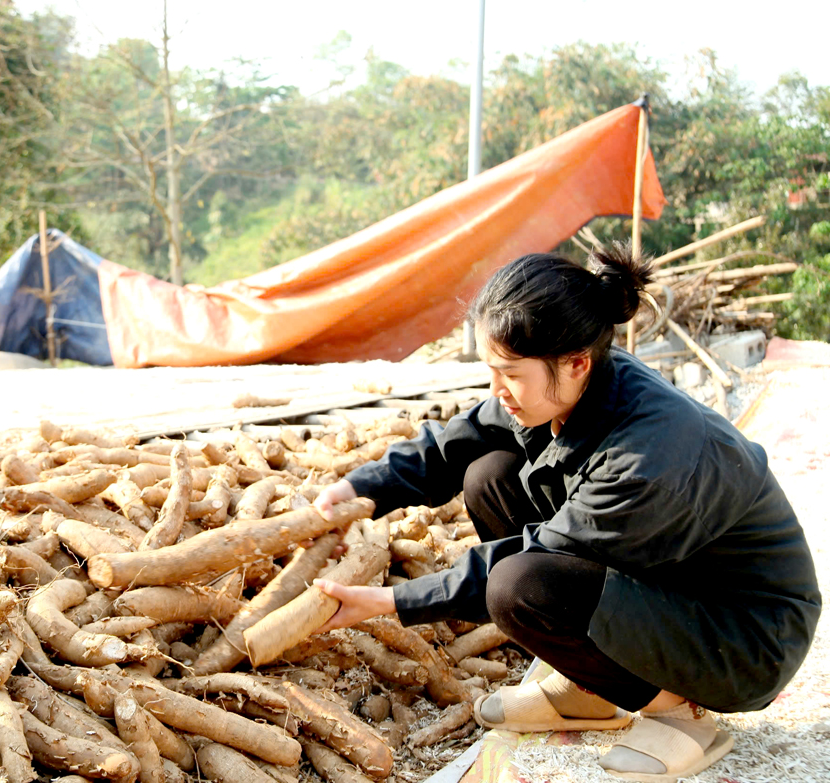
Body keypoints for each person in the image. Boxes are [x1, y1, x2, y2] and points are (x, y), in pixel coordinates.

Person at [311, 245, 821, 782]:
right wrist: (357, 489)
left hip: (741, 633)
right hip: (672, 583)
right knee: (490, 474)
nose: (497, 390)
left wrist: (388, 601)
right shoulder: (568, 382)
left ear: (576, 362)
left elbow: (543, 556)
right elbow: (456, 441)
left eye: (509, 374)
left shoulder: (645, 459)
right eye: (492, 370)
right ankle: (588, 690)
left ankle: (681, 709)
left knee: (518, 587)